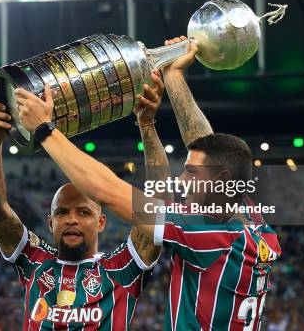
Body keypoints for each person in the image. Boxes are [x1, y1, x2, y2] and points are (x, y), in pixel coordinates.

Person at [15, 36, 282, 331]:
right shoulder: (251, 219)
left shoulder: (207, 236)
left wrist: (45, 131)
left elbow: (105, 190)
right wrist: (174, 75)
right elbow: (205, 144)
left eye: (191, 173)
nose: (182, 179)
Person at [0, 71, 167, 330]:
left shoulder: (121, 270)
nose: (72, 220)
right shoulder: (34, 263)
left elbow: (158, 212)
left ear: (101, 222)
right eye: (62, 213)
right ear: (50, 221)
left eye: (84, 213)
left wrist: (147, 127)